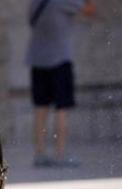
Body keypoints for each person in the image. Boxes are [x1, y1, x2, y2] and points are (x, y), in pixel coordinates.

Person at [26, 0, 95, 167]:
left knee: (40, 109)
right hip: (59, 59)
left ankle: (39, 153)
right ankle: (60, 154)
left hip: (37, 59)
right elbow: (89, 11)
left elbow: (30, 20)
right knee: (62, 108)